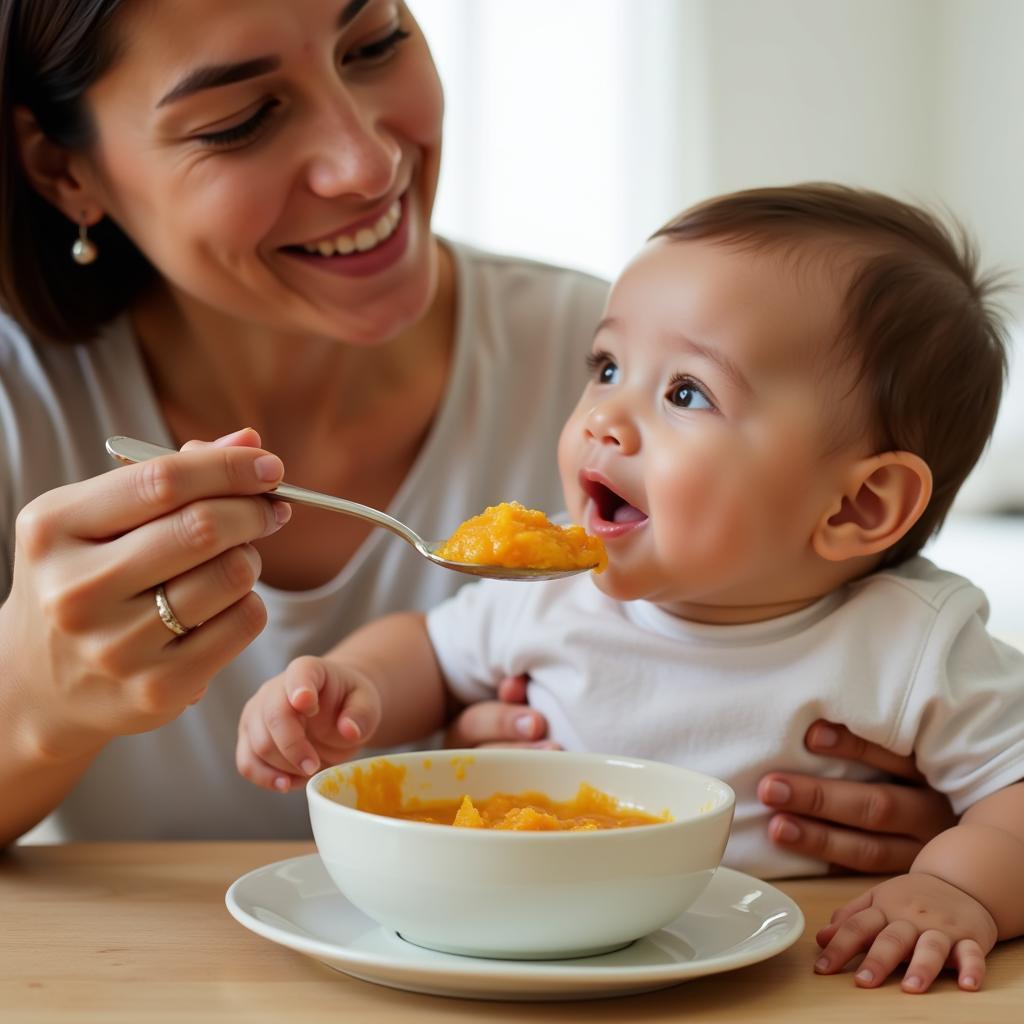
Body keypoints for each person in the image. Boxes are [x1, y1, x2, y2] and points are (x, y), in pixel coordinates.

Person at [0, 0, 949, 857]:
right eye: (238, 120)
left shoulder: (646, 350)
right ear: (63, 168)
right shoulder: (21, 406)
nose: (368, 162)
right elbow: (413, 654)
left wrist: (954, 836)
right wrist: (34, 707)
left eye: (374, 43)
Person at [238, 184, 1024, 994]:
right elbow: (428, 653)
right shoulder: (549, 589)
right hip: (524, 945)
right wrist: (350, 688)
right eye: (607, 367)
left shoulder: (910, 643)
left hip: (785, 977)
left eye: (686, 392)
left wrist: (959, 886)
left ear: (859, 505)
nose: (604, 417)